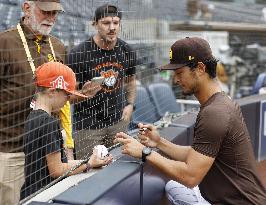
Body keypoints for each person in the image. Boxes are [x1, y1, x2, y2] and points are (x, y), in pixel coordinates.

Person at [114, 37, 266, 204]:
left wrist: (145, 152)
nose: (176, 80)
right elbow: (198, 155)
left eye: (180, 73)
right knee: (174, 187)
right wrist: (159, 142)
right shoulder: (221, 102)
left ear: (200, 68)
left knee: (178, 186)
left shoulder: (214, 113)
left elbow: (190, 176)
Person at [0, 1, 74, 204]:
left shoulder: (58, 46)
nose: (51, 18)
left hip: (49, 153)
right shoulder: (4, 42)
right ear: (26, 8)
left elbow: (58, 97)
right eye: (45, 11)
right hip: (12, 152)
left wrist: (77, 94)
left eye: (55, 13)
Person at [20, 61, 113, 200]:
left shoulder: (32, 116)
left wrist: (90, 160)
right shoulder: (49, 123)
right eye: (67, 95)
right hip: (45, 195)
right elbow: (57, 170)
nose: (68, 100)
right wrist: (88, 164)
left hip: (30, 193)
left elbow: (55, 164)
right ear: (52, 91)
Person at [68, 4, 136, 159]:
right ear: (95, 24)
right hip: (88, 127)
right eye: (106, 23)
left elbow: (131, 81)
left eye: (116, 23)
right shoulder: (79, 54)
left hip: (118, 123)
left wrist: (130, 104)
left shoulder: (127, 50)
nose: (112, 28)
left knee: (118, 166)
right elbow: (67, 97)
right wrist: (83, 94)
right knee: (87, 173)